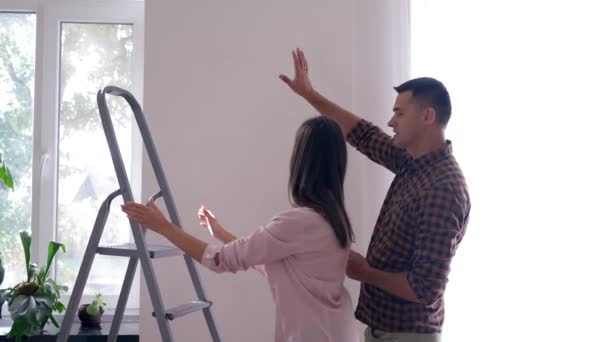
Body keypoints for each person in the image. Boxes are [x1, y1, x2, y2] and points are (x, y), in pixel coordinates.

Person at [280, 48, 471, 342]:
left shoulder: (443, 189)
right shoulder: (413, 162)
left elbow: (425, 289)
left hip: (407, 335)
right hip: (385, 330)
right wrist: (310, 94)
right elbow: (363, 134)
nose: (391, 121)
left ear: (427, 116)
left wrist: (365, 271)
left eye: (399, 112)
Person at [121, 116, 359, 342]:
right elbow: (272, 264)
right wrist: (221, 233)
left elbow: (219, 261)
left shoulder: (298, 222)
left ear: (301, 161)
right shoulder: (335, 219)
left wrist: (163, 227)